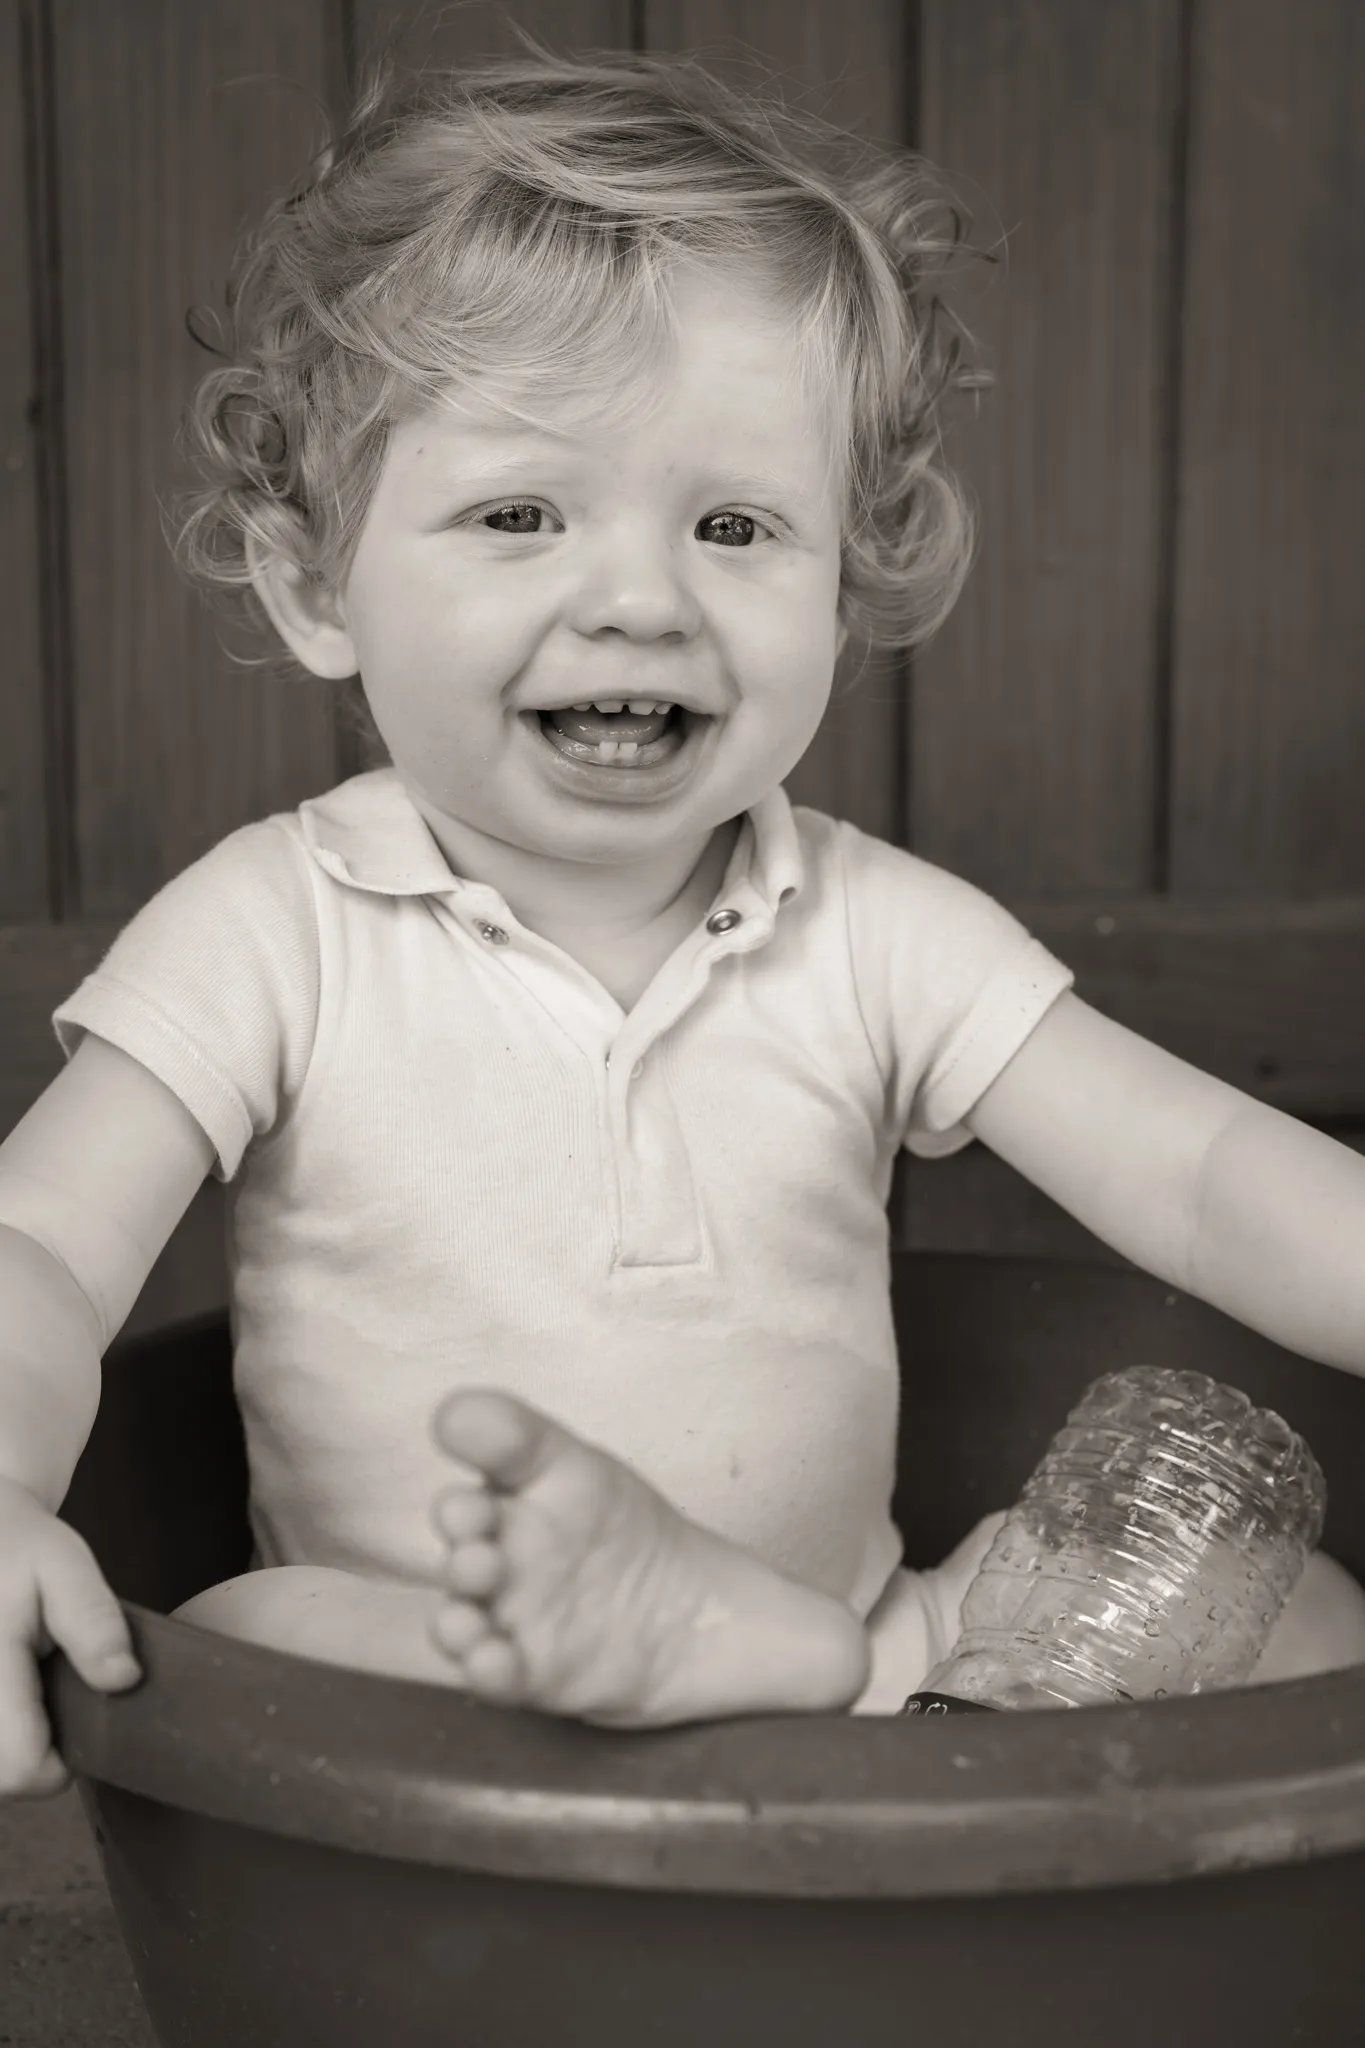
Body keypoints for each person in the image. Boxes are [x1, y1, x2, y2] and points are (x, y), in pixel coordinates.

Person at [4, 35, 1365, 1799]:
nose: (640, 597)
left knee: (1306, 1613)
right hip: (462, 1702)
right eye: (520, 513)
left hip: (870, 1668)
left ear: (845, 585)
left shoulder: (876, 933)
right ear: (314, 582)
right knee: (250, 1632)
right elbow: (39, 1250)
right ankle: (708, 1675)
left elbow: (1195, 1173)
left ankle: (827, 1691)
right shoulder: (277, 928)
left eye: (733, 522)